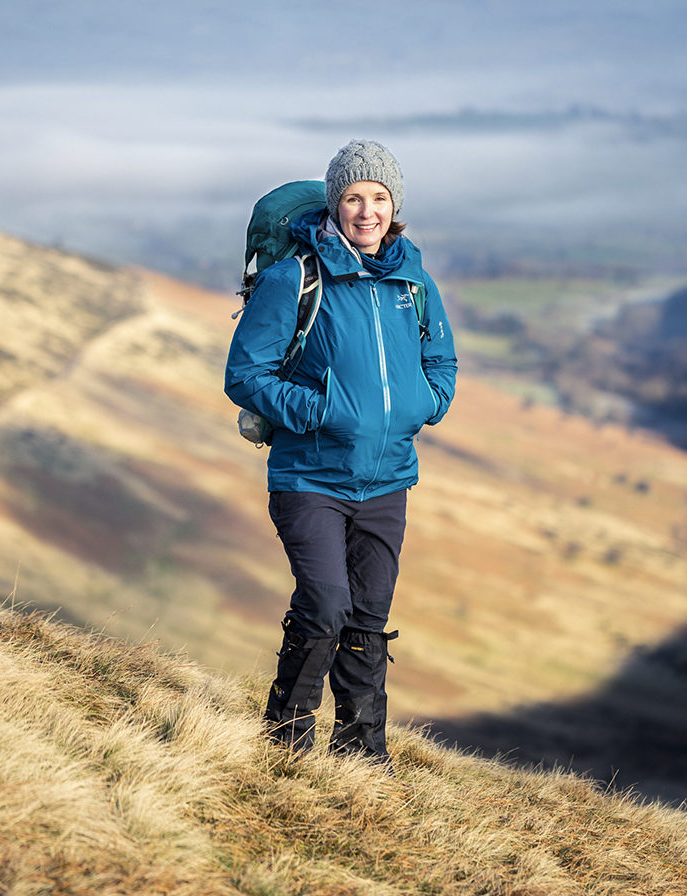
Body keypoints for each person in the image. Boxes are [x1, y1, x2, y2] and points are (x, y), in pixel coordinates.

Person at [224, 139, 458, 768]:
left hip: (387, 481)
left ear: (394, 205)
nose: (367, 211)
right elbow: (246, 375)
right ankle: (287, 741)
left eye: (379, 197)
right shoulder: (293, 278)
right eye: (354, 198)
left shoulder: (413, 280)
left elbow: (441, 358)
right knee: (326, 607)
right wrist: (318, 413)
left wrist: (427, 403)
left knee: (368, 619)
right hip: (309, 477)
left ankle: (362, 756)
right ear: (335, 203)